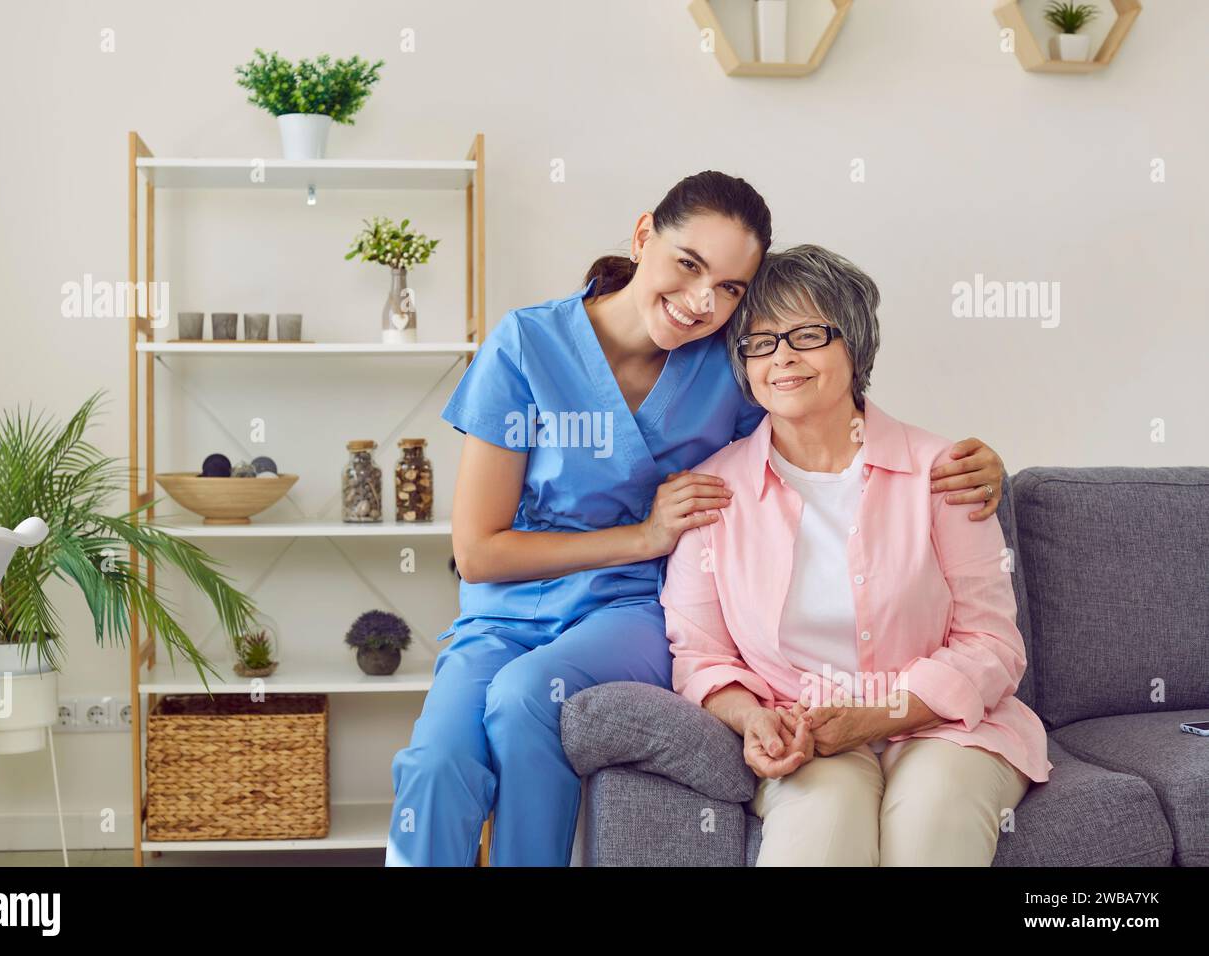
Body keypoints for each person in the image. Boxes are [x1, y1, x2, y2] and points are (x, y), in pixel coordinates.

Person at [385, 173, 1008, 866]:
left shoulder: (729, 359)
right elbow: (477, 553)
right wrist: (644, 536)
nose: (702, 302)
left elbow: (821, 425)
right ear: (644, 233)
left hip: (628, 609)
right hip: (505, 608)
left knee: (525, 699)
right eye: (688, 264)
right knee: (435, 763)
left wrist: (972, 463)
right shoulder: (527, 345)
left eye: (732, 288)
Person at [661, 244, 1051, 867]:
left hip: (947, 724)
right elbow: (701, 654)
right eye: (760, 342)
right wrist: (752, 718)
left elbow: (993, 645)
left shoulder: (944, 474)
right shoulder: (714, 493)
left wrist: (878, 715)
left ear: (856, 345)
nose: (782, 356)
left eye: (807, 334)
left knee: (931, 821)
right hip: (807, 734)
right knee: (818, 834)